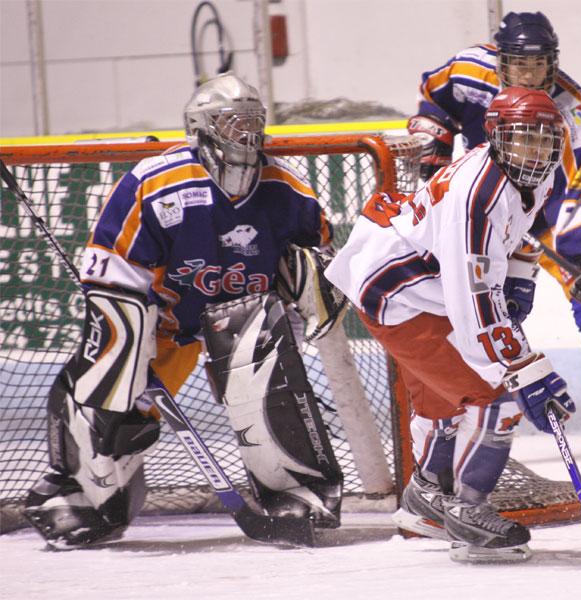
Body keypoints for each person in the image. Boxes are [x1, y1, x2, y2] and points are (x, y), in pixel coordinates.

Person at [23, 73, 344, 548]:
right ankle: (81, 496)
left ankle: (294, 492)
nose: (247, 133)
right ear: (200, 127)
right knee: (109, 400)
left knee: (270, 381)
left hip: (241, 319)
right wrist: (128, 350)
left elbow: (317, 265)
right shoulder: (158, 183)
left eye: (253, 121)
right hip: (161, 327)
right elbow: (113, 274)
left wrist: (300, 309)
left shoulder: (287, 190)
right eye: (232, 122)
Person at [325, 87, 581, 562]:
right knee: (496, 397)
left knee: (446, 401)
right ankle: (468, 512)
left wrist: (521, 282)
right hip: (399, 291)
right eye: (523, 139)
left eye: (545, 140)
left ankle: (426, 498)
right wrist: (522, 370)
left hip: (424, 282)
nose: (535, 151)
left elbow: (519, 235)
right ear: (496, 137)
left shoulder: (534, 175)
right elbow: (471, 303)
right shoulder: (476, 195)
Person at [407, 11, 581, 458]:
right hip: (487, 209)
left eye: (539, 65)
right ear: (501, 61)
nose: (529, 74)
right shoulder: (469, 70)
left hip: (546, 211)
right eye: (520, 65)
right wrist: (434, 139)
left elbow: (577, 189)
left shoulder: (575, 112)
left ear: (553, 62)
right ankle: (474, 408)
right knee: (485, 306)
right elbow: (434, 98)